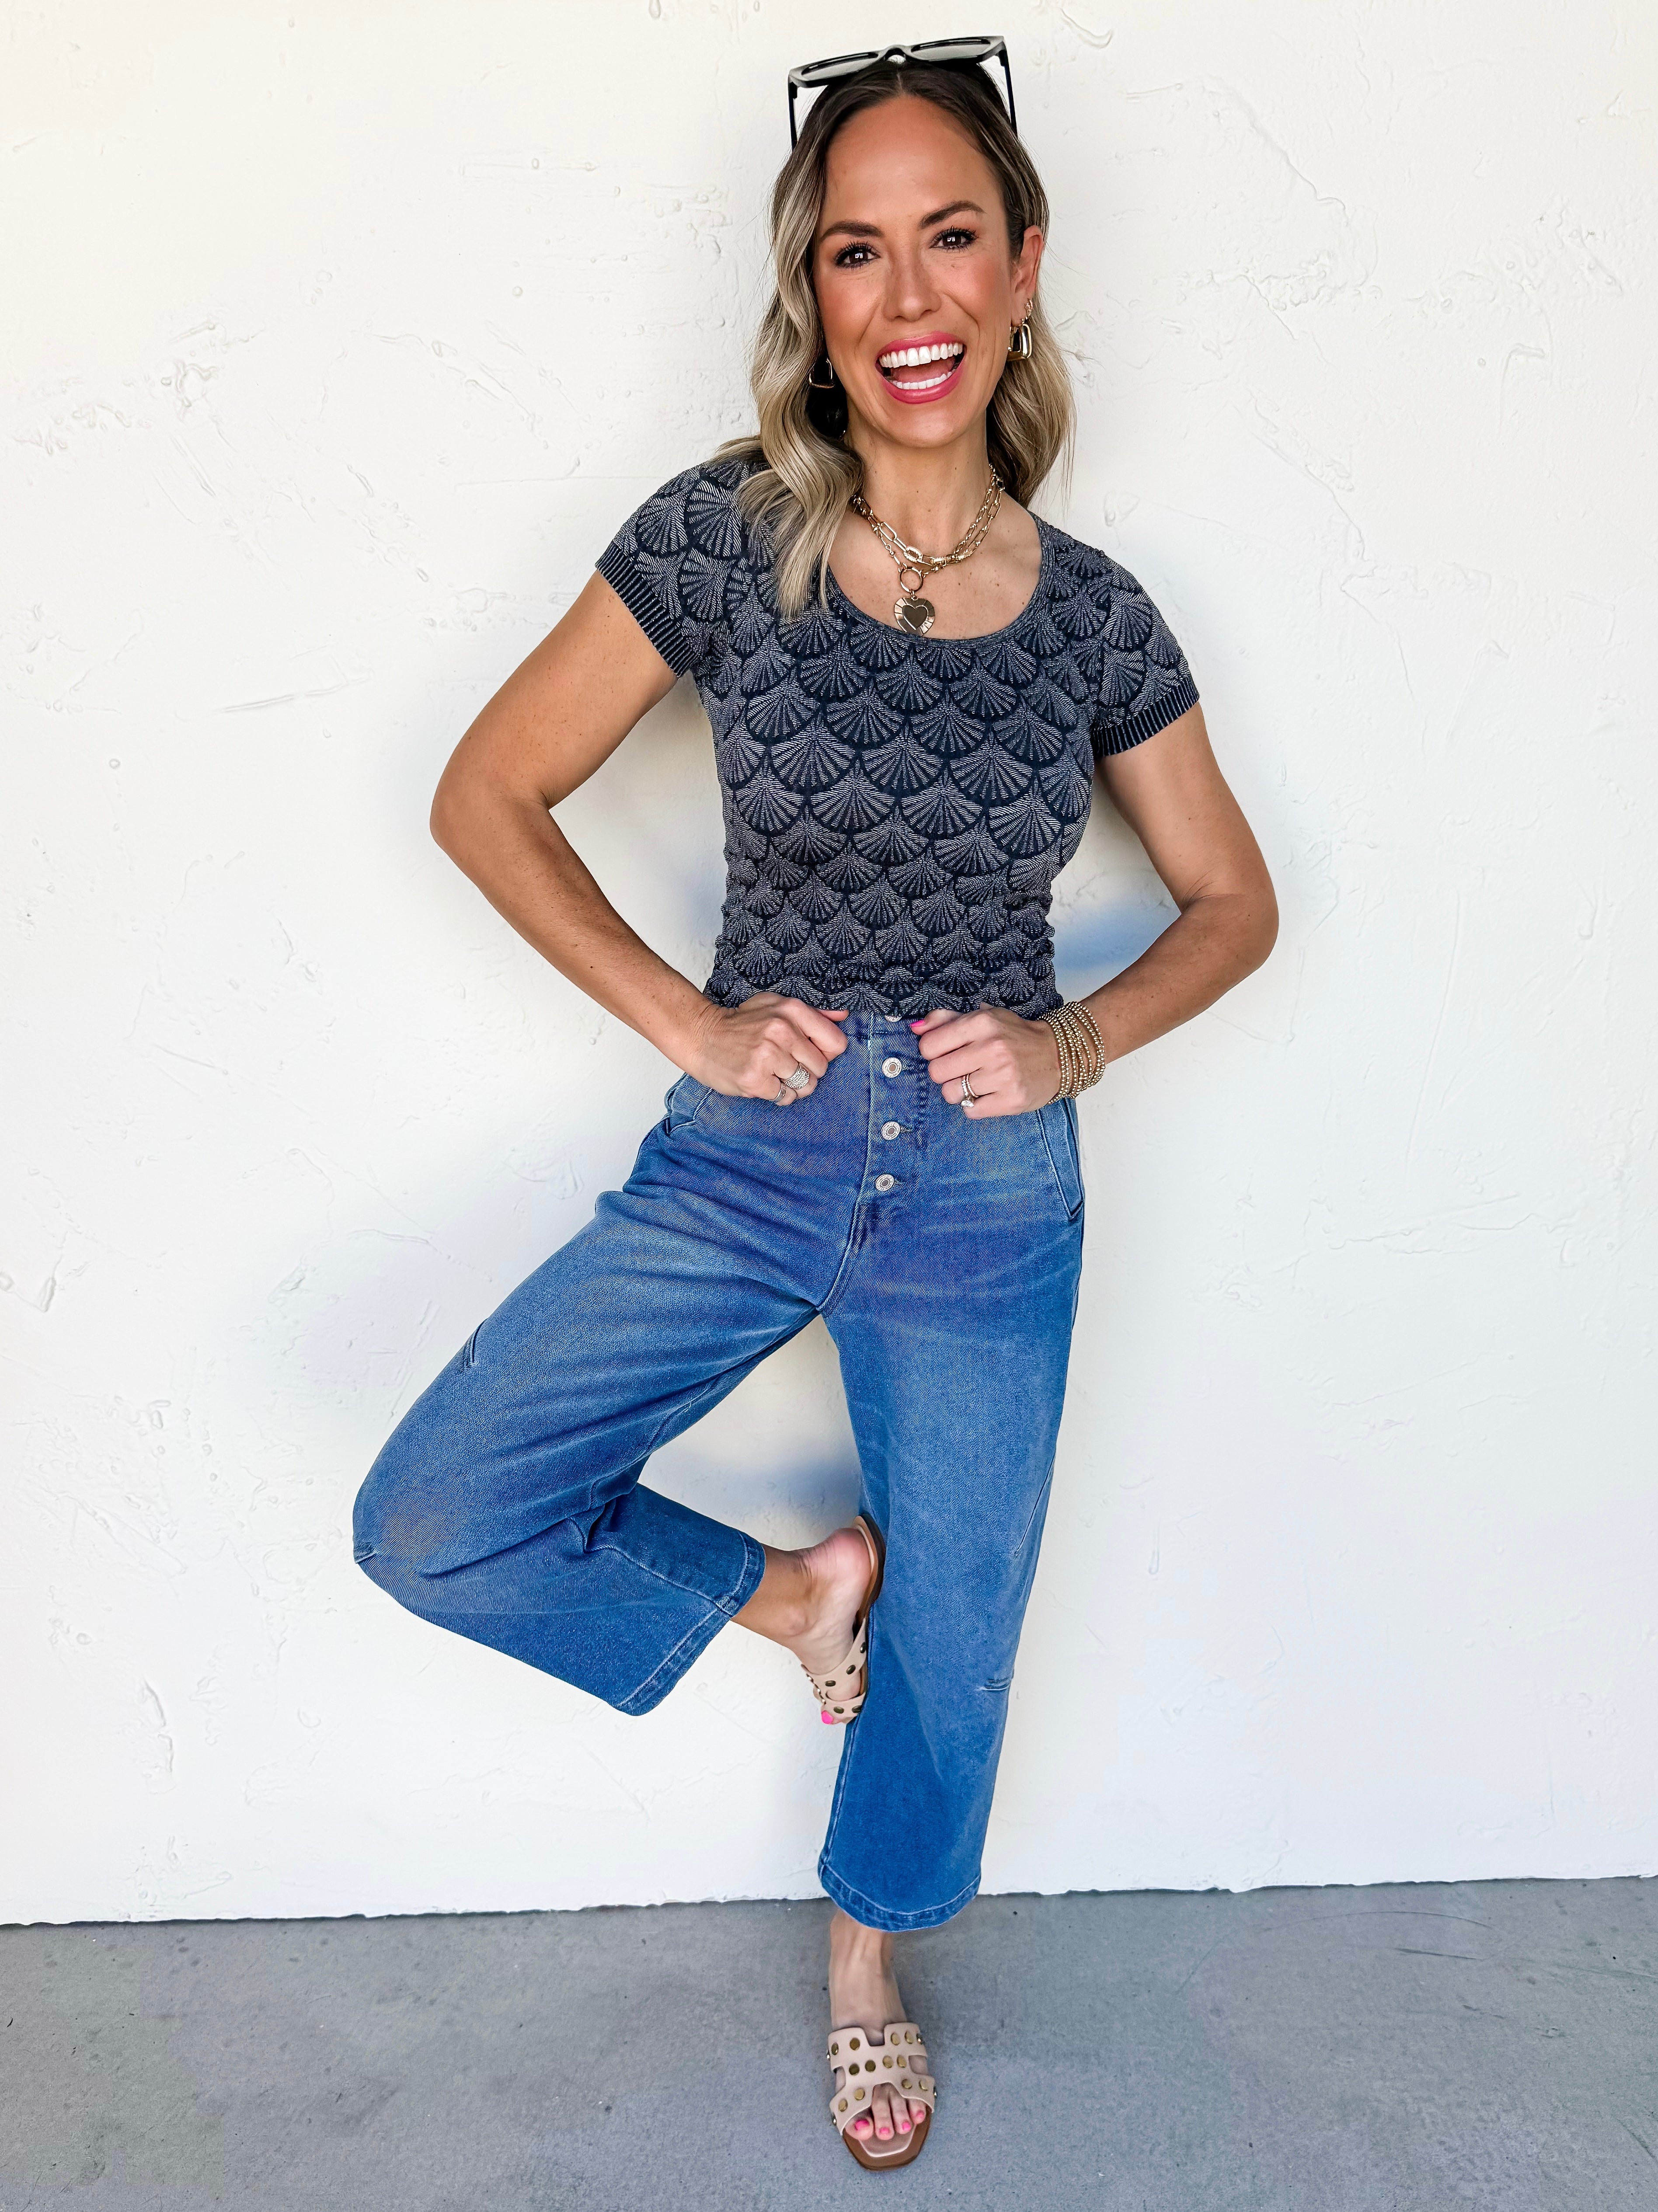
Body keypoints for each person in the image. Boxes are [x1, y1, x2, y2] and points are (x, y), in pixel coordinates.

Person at [352, 42, 1277, 2171]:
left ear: (1022, 265)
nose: (907, 294)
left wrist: (1074, 1041)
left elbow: (1234, 903)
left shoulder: (1099, 619)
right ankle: (786, 1597)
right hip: (753, 1152)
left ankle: (866, 1955)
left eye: (949, 236)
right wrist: (682, 1023)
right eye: (855, 251)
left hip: (987, 1184)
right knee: (437, 1509)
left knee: (958, 1635)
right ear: (814, 293)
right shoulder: (725, 539)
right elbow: (486, 793)